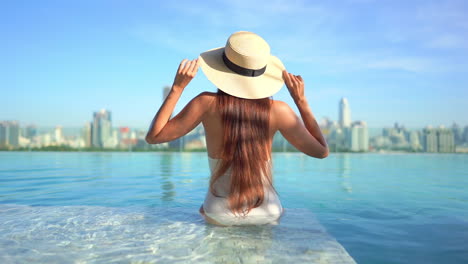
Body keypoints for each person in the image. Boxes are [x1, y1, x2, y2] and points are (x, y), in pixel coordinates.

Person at [146, 31, 328, 226]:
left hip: (219, 212)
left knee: (205, 214)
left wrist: (178, 88)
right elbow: (321, 152)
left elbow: (154, 137)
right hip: (267, 211)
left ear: (221, 70)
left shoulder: (205, 103)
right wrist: (301, 101)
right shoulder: (279, 110)